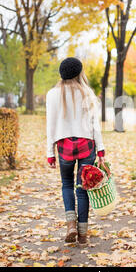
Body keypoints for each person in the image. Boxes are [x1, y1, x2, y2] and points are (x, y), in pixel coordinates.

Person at [46, 57, 105, 245]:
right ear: (79, 73)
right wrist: (101, 150)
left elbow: (50, 125)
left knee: (67, 184)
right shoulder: (88, 92)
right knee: (83, 188)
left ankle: (70, 224)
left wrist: (50, 152)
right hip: (87, 144)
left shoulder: (52, 94)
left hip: (65, 147)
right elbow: (95, 125)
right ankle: (83, 233)